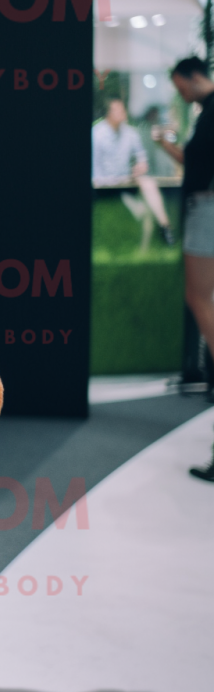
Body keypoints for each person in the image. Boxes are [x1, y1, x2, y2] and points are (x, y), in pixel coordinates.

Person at [155, 56, 214, 482]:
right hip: (205, 207)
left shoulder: (211, 110)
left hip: (206, 210)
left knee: (199, 297)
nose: (181, 94)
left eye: (180, 87)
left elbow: (200, 171)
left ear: (194, 77)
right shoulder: (207, 114)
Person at [93, 98, 175, 245]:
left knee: (148, 182)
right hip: (104, 184)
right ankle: (145, 225)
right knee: (144, 206)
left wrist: (141, 166)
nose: (123, 113)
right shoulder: (96, 134)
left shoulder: (131, 133)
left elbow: (142, 158)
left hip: (125, 180)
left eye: (122, 110)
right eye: (118, 110)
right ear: (109, 114)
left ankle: (165, 227)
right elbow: (94, 167)